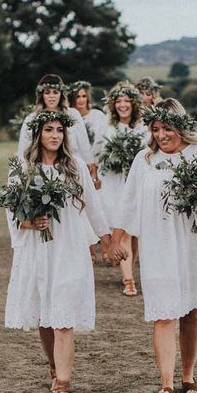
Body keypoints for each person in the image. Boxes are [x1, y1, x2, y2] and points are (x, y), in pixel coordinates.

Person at [109, 98, 197, 393]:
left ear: (181, 126)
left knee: (191, 311)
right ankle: (166, 384)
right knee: (163, 312)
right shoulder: (145, 160)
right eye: (155, 129)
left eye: (167, 128)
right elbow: (128, 201)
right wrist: (116, 239)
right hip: (159, 244)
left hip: (193, 243)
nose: (161, 135)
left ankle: (188, 375)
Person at [5, 110, 113, 393]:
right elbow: (11, 211)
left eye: (59, 131)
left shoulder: (75, 166)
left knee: (64, 318)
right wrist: (28, 221)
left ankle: (64, 391)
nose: (55, 135)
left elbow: (93, 205)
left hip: (68, 249)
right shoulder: (21, 168)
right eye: (49, 130)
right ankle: (54, 368)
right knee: (45, 317)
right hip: (37, 249)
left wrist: (107, 240)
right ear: (37, 134)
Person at [99, 82, 149, 296]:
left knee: (135, 233)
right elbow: (100, 154)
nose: (122, 105)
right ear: (113, 105)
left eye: (126, 101)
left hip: (137, 181)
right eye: (118, 101)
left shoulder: (143, 128)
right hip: (114, 182)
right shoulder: (109, 127)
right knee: (123, 230)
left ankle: (128, 268)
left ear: (133, 103)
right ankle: (128, 279)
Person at [17, 74, 97, 179]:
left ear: (61, 94)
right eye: (47, 92)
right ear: (42, 95)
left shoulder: (73, 114)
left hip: (71, 169)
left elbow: (84, 144)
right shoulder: (32, 119)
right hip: (41, 172)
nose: (51, 96)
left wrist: (91, 167)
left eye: (55, 92)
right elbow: (23, 150)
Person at [69, 79, 107, 261]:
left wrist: (95, 165)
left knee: (96, 205)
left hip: (95, 163)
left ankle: (103, 241)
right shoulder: (71, 116)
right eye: (77, 96)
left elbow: (102, 139)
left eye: (84, 96)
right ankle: (89, 248)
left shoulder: (98, 116)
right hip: (78, 164)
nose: (81, 100)